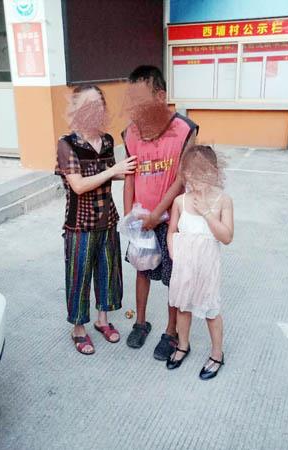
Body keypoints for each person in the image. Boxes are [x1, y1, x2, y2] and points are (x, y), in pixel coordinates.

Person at [122, 66, 199, 360]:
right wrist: (130, 217)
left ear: (160, 96)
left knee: (172, 276)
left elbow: (181, 177)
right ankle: (140, 322)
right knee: (141, 271)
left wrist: (158, 214)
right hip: (141, 219)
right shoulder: (131, 132)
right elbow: (130, 176)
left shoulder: (185, 129)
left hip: (172, 221)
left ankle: (171, 331)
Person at [55, 85, 137, 355]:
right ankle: (78, 329)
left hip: (107, 220)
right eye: (88, 104)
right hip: (79, 225)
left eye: (99, 104)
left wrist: (132, 171)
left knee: (108, 272)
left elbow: (111, 172)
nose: (95, 109)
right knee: (79, 277)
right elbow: (78, 185)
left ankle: (103, 320)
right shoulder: (67, 144)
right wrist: (114, 170)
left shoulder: (108, 140)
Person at [166, 145, 233, 380]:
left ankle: (217, 353)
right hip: (184, 265)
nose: (196, 180)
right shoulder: (180, 201)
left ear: (214, 172)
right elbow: (172, 231)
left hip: (207, 267)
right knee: (183, 307)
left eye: (203, 173)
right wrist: (174, 253)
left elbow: (226, 237)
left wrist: (206, 212)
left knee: (210, 310)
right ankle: (183, 345)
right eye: (191, 174)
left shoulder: (223, 201)